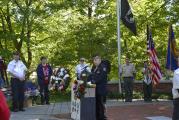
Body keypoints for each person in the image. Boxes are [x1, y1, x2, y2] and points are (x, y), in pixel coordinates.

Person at [89, 55, 107, 120]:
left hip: (101, 89)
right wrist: (88, 81)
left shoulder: (103, 67)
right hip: (95, 89)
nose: (94, 62)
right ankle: (97, 116)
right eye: (94, 60)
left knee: (101, 104)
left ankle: (102, 117)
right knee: (96, 103)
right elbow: (91, 76)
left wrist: (94, 81)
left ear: (99, 60)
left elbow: (101, 77)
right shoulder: (94, 68)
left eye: (95, 60)